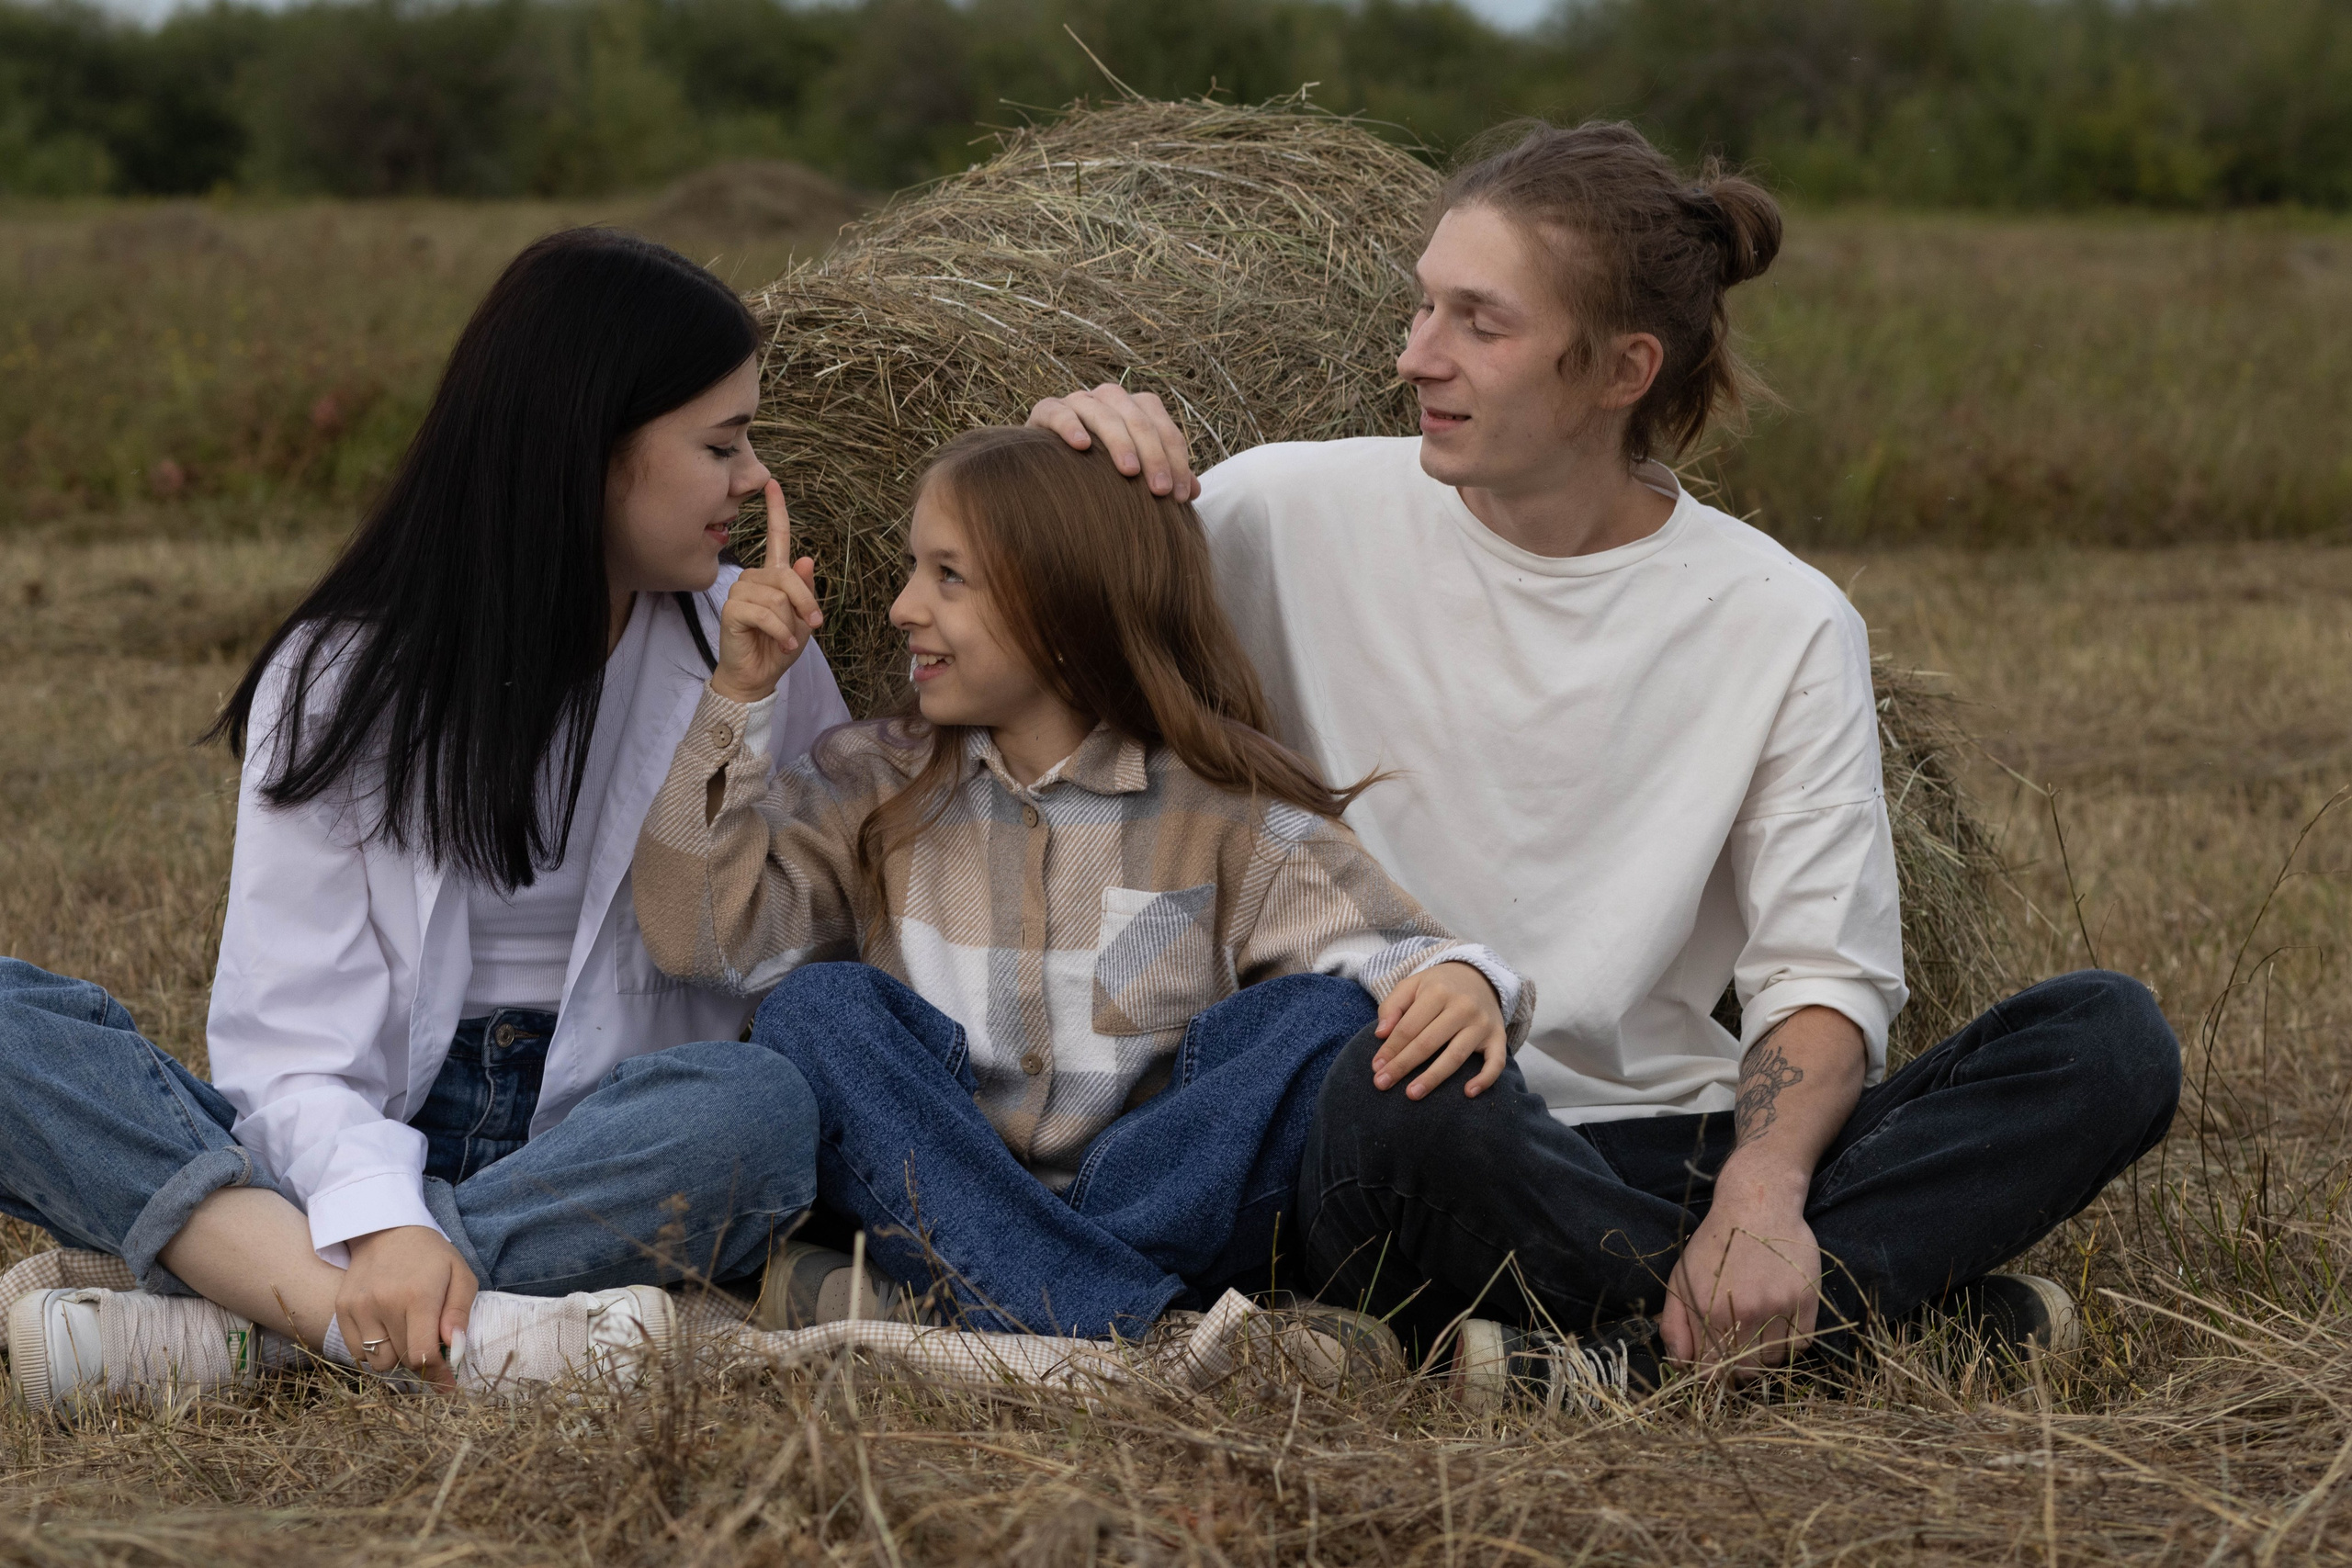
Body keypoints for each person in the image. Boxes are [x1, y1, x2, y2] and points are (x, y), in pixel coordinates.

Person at [1027, 121, 2181, 1403]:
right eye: (1424, 306)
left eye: (1480, 321)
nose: (1416, 353)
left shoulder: (1777, 618)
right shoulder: (1277, 512)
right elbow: (1043, 655)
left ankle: (1595, 1351)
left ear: (1624, 367)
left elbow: (1820, 970)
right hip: (1414, 1134)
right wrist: (1067, 463)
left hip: (1661, 1146)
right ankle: (1849, 1323)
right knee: (1393, 1076)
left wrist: (1760, 1189)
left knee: (2107, 1039)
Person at [0, 229, 850, 1414]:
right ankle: (446, 1325)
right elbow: (289, 1045)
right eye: (719, 444)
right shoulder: (346, 669)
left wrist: (742, 712)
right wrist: (381, 1213)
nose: (754, 480)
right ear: (591, 448)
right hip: (358, 1127)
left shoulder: (755, 653)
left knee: (761, 1111)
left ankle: (258, 1320)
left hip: (605, 1139)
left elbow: (790, 940)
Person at [629, 424, 1532, 1343]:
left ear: (1069, 613)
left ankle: (964, 1310)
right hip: (937, 1184)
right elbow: (695, 933)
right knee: (819, 1012)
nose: (902, 607)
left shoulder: (1222, 808)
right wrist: (739, 694)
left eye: (948, 576)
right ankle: (1149, 1339)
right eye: (911, 568)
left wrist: (1464, 983)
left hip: (1159, 1205)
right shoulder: (872, 783)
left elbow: (1404, 954)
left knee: (1318, 1021)